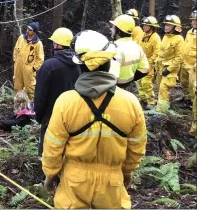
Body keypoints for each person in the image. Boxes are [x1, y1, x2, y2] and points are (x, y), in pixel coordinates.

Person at [42, 30, 147, 209]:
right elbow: (136, 147)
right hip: (112, 184)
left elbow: (53, 147)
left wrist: (50, 176)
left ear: (81, 66)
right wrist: (127, 173)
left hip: (74, 181)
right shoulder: (130, 103)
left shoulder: (66, 101)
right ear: (109, 63)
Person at [34, 27, 81, 157]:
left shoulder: (49, 66)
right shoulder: (80, 65)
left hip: (51, 115)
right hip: (73, 115)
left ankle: (48, 175)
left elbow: (40, 96)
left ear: (57, 44)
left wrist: (39, 116)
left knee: (47, 151)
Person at [109, 14, 149, 88]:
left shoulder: (114, 48)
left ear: (119, 31)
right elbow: (145, 69)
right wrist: (131, 79)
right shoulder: (137, 47)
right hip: (128, 86)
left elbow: (111, 77)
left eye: (113, 27)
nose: (111, 29)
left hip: (115, 89)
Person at [156, 15, 184, 112]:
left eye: (168, 25)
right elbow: (161, 53)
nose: (165, 27)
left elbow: (179, 57)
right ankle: (162, 107)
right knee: (160, 89)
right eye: (166, 25)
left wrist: (169, 70)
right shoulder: (165, 37)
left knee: (164, 90)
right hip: (160, 68)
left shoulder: (179, 39)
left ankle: (161, 112)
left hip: (169, 71)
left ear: (174, 27)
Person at [13, 22, 44, 101]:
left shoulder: (38, 44)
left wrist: (33, 69)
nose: (27, 30)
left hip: (29, 69)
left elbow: (40, 59)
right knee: (17, 87)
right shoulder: (21, 38)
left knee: (30, 89)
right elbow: (16, 49)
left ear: (34, 32)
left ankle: (32, 106)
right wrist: (15, 60)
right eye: (27, 28)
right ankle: (19, 105)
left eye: (30, 30)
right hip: (18, 67)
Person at [137, 16, 161, 108]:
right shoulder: (141, 35)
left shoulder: (156, 38)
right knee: (139, 82)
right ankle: (142, 99)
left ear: (152, 27)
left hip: (149, 64)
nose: (144, 27)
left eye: (147, 25)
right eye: (144, 25)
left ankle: (151, 101)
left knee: (146, 82)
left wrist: (149, 62)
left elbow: (157, 52)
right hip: (139, 63)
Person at [180, 10, 196, 106]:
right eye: (193, 20)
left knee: (192, 85)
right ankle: (188, 99)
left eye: (195, 20)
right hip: (185, 63)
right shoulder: (189, 32)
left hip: (193, 66)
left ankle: (194, 102)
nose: (193, 22)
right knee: (184, 82)